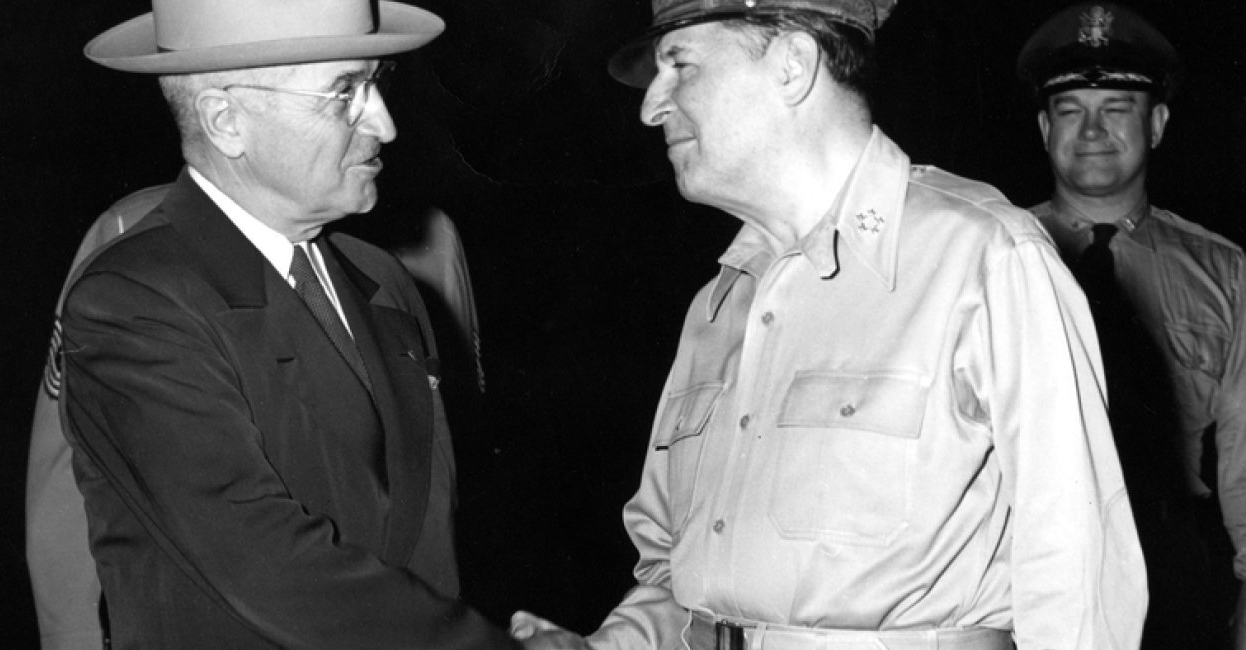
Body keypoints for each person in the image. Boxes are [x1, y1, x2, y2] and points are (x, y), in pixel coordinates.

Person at [512, 0, 1147, 648]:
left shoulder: (980, 258)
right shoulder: (720, 302)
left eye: (681, 65)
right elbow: (685, 585)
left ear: (792, 65)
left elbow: (1080, 584)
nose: (652, 106)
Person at [55, 0, 521, 646]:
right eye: (344, 93)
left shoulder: (383, 282)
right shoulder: (132, 304)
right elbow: (267, 567)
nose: (384, 124)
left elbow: (424, 546)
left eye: (375, 83)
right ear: (226, 121)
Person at [26, 187, 484, 648]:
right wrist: (73, 637)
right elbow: (64, 475)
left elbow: (444, 470)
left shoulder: (430, 236)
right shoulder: (134, 233)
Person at [1018, 4, 1246, 647]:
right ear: (1044, 128)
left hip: (1173, 572)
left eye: (1115, 107)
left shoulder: (1225, 272)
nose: (1092, 129)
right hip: (1020, 569)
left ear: (1157, 124)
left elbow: (1244, 458)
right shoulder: (984, 253)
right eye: (1070, 110)